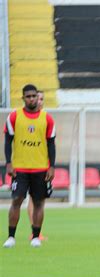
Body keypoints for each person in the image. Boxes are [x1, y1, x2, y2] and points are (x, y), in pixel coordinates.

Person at [3, 84, 56, 248]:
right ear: (23, 98)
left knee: (39, 202)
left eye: (34, 96)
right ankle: (11, 237)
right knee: (16, 200)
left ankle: (35, 236)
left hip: (40, 168)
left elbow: (51, 144)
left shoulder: (47, 119)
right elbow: (7, 142)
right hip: (20, 168)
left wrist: (51, 166)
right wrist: (9, 163)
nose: (32, 99)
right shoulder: (14, 117)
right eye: (28, 96)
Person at [26, 90, 47, 241]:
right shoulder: (25, 118)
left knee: (40, 199)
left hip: (42, 164)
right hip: (28, 164)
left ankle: (37, 231)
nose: (40, 101)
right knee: (32, 198)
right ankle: (34, 232)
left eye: (42, 99)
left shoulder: (45, 118)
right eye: (38, 98)